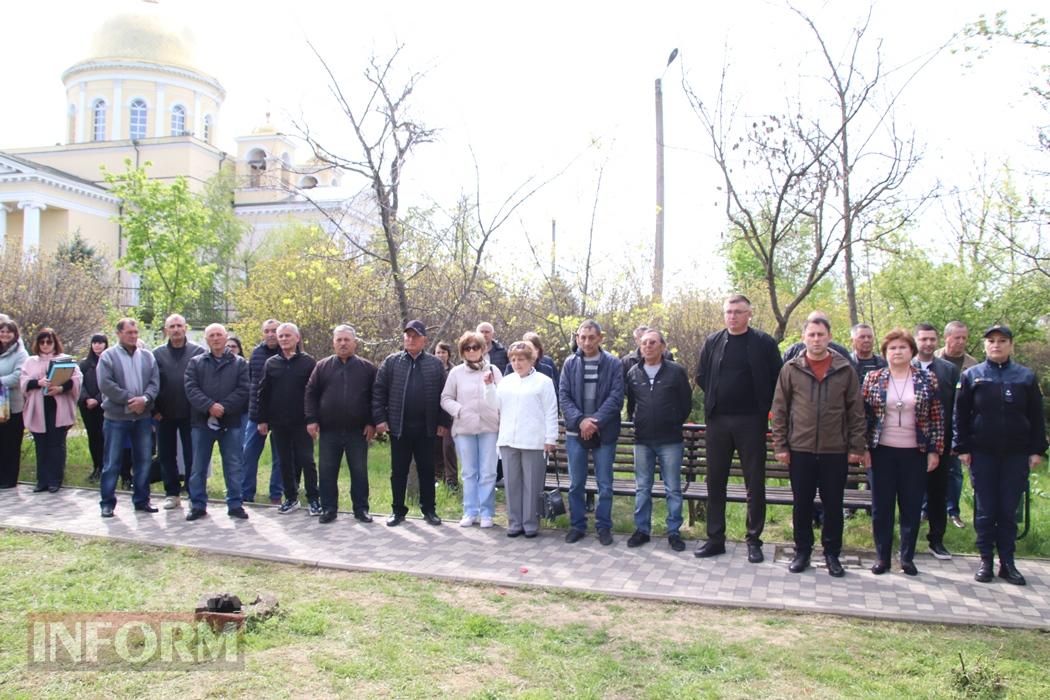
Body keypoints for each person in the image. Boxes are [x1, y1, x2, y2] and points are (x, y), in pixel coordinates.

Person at [771, 317, 867, 577]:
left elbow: (856, 411)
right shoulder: (791, 368)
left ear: (829, 336)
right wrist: (781, 444)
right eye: (811, 334)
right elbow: (779, 410)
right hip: (800, 449)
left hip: (834, 450)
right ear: (804, 337)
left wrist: (856, 446)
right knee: (802, 503)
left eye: (820, 334)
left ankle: (832, 554)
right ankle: (802, 551)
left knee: (833, 504)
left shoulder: (844, 369)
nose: (816, 339)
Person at [954, 324, 1047, 586]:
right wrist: (962, 448)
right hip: (982, 453)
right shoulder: (973, 375)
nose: (996, 345)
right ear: (985, 345)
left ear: (1010, 345)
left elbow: (1036, 417)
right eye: (991, 341)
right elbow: (960, 415)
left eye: (1002, 340)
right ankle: (985, 560)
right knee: (986, 509)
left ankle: (1007, 562)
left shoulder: (1025, 377)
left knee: (1007, 510)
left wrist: (1037, 449)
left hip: (1016, 455)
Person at [694, 294, 782, 563]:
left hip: (751, 422)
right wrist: (717, 399)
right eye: (728, 312)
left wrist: (760, 407)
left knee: (754, 483)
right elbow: (701, 376)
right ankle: (715, 538)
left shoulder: (764, 343)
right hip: (718, 421)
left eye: (738, 312)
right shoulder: (714, 341)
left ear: (749, 314)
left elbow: (777, 378)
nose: (732, 316)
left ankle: (754, 540)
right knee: (715, 481)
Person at [861, 329, 944, 576]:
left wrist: (934, 451)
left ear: (912, 351)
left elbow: (937, 417)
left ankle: (906, 557)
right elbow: (863, 417)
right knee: (881, 507)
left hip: (914, 453)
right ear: (885, 353)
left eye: (902, 348)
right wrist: (863, 448)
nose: (897, 352)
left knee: (910, 506)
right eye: (892, 348)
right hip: (881, 452)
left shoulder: (927, 379)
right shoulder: (873, 378)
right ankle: (882, 557)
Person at [373, 320, 451, 526]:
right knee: (398, 471)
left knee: (427, 470)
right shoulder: (392, 362)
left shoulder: (435, 365)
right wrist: (380, 419)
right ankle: (398, 510)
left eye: (415, 336)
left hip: (427, 429)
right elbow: (378, 392)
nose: (411, 339)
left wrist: (443, 422)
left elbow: (445, 396)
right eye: (407, 335)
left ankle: (429, 510)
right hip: (399, 428)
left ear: (424, 340)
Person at [625, 329, 693, 551]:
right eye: (644, 343)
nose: (648, 346)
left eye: (653, 342)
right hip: (643, 440)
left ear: (663, 346)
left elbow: (685, 404)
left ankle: (674, 532)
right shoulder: (633, 372)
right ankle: (642, 530)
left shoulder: (676, 372)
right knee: (642, 487)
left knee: (673, 487)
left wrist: (672, 420)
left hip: (670, 440)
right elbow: (632, 405)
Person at [559, 319, 625, 545]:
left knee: (604, 484)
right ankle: (577, 526)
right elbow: (564, 397)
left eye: (591, 337)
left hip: (603, 431)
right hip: (575, 433)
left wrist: (593, 422)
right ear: (577, 338)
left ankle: (603, 527)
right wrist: (580, 421)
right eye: (582, 337)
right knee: (576, 483)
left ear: (600, 338)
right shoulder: (569, 363)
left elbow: (616, 398)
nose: (586, 342)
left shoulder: (614, 364)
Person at [484, 340, 558, 537]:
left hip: (534, 441)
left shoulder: (544, 381)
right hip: (508, 440)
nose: (517, 363)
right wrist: (489, 386)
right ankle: (515, 522)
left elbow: (551, 411)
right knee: (512, 484)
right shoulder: (506, 381)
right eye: (514, 360)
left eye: (522, 359)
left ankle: (531, 523)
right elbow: (494, 404)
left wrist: (551, 438)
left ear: (531, 360)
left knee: (532, 485)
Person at [305, 324, 377, 524]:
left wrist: (372, 422)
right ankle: (328, 509)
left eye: (347, 340)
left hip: (357, 431)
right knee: (327, 471)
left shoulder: (367, 368)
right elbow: (310, 393)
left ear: (355, 343)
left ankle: (361, 509)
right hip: (329, 431)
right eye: (339, 340)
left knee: (359, 471)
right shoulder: (322, 367)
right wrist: (311, 419)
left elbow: (375, 397)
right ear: (333, 343)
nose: (343, 343)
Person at [183, 323, 250, 521]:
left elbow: (244, 389)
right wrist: (210, 406)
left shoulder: (240, 364)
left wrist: (224, 407)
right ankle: (197, 505)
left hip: (231, 423)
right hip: (201, 423)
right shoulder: (195, 362)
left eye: (219, 334)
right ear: (206, 339)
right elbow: (191, 388)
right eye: (211, 335)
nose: (215, 338)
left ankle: (235, 504)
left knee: (234, 464)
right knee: (198, 466)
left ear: (226, 336)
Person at [97, 318, 161, 517]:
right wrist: (130, 400)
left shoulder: (147, 356)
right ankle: (107, 503)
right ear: (119, 334)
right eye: (129, 332)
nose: (133, 336)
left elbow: (154, 382)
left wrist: (145, 399)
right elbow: (106, 384)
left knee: (143, 460)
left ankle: (142, 500)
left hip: (142, 418)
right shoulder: (108, 356)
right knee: (111, 463)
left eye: (135, 332)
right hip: (116, 418)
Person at [255, 322, 319, 515]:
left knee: (307, 461)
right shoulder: (271, 363)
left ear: (297, 338)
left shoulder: (309, 363)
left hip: (302, 423)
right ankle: (291, 498)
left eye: (287, 336)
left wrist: (313, 419)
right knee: (284, 461)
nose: (283, 339)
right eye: (281, 336)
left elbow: (315, 393)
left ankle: (314, 499)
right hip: (278, 423)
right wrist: (262, 419)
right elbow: (263, 393)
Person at [441, 331, 502, 528]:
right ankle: (470, 511)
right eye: (468, 348)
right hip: (464, 429)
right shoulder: (456, 373)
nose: (472, 351)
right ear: (462, 352)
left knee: (488, 471)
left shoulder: (493, 370)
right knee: (469, 472)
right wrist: (459, 411)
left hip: (489, 427)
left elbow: (502, 398)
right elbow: (446, 398)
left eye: (476, 347)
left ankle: (486, 512)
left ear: (483, 349)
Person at [914, 322, 961, 560]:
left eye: (932, 339)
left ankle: (936, 540)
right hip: (909, 442)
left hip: (940, 441)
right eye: (923, 339)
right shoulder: (903, 365)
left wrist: (954, 441)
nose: (928, 343)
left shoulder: (948, 370)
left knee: (937, 493)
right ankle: (907, 540)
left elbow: (955, 408)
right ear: (916, 341)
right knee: (909, 494)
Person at [152, 314, 205, 510]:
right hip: (163, 414)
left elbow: (203, 382)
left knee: (192, 455)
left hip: (191, 414)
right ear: (166, 330)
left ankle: (193, 493)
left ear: (186, 328)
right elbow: (151, 382)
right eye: (171, 326)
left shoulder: (198, 351)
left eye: (179, 326)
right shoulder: (156, 354)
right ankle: (172, 493)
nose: (176, 329)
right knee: (166, 455)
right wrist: (154, 410)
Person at [20, 328, 82, 493]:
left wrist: (61, 388)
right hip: (38, 407)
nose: (45, 345)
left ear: (55, 343)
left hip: (58, 406)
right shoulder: (30, 361)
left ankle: (55, 480)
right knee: (41, 445)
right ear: (38, 344)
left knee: (56, 444)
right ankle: (42, 480)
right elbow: (23, 382)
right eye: (42, 342)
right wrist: (38, 383)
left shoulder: (65, 360)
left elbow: (76, 381)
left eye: (49, 342)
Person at [935, 320, 979, 529]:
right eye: (957, 337)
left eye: (964, 338)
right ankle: (927, 509)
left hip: (958, 425)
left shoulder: (973, 364)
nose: (961, 342)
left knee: (954, 471)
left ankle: (953, 511)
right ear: (946, 338)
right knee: (928, 469)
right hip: (934, 423)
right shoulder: (933, 359)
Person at [241, 319, 284, 505]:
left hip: (281, 416)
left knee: (280, 457)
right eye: (267, 330)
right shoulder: (257, 353)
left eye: (274, 330)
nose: (270, 334)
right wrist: (259, 417)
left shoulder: (290, 353)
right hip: (256, 415)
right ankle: (246, 494)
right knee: (248, 455)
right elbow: (253, 386)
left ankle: (276, 495)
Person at [0, 320, 29, 489]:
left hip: (13, 406)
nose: (4, 334)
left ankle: (9, 479)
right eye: (2, 331)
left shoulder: (21, 353)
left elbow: (18, 376)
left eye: (8, 332)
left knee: (10, 444)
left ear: (15, 334)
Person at [77, 334, 108, 482]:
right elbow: (79, 384)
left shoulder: (110, 361)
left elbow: (110, 383)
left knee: (105, 438)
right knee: (93, 437)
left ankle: (106, 468)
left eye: (101, 342)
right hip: (87, 407)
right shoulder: (84, 364)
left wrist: (97, 399)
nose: (98, 345)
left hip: (104, 406)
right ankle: (96, 467)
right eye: (95, 342)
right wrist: (86, 399)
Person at [432, 340, 459, 489]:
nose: (440, 355)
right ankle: (438, 476)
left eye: (443, 352)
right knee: (435, 447)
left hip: (450, 415)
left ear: (448, 354)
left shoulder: (454, 371)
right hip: (434, 414)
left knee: (448, 447)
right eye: (438, 352)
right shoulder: (431, 369)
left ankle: (452, 480)